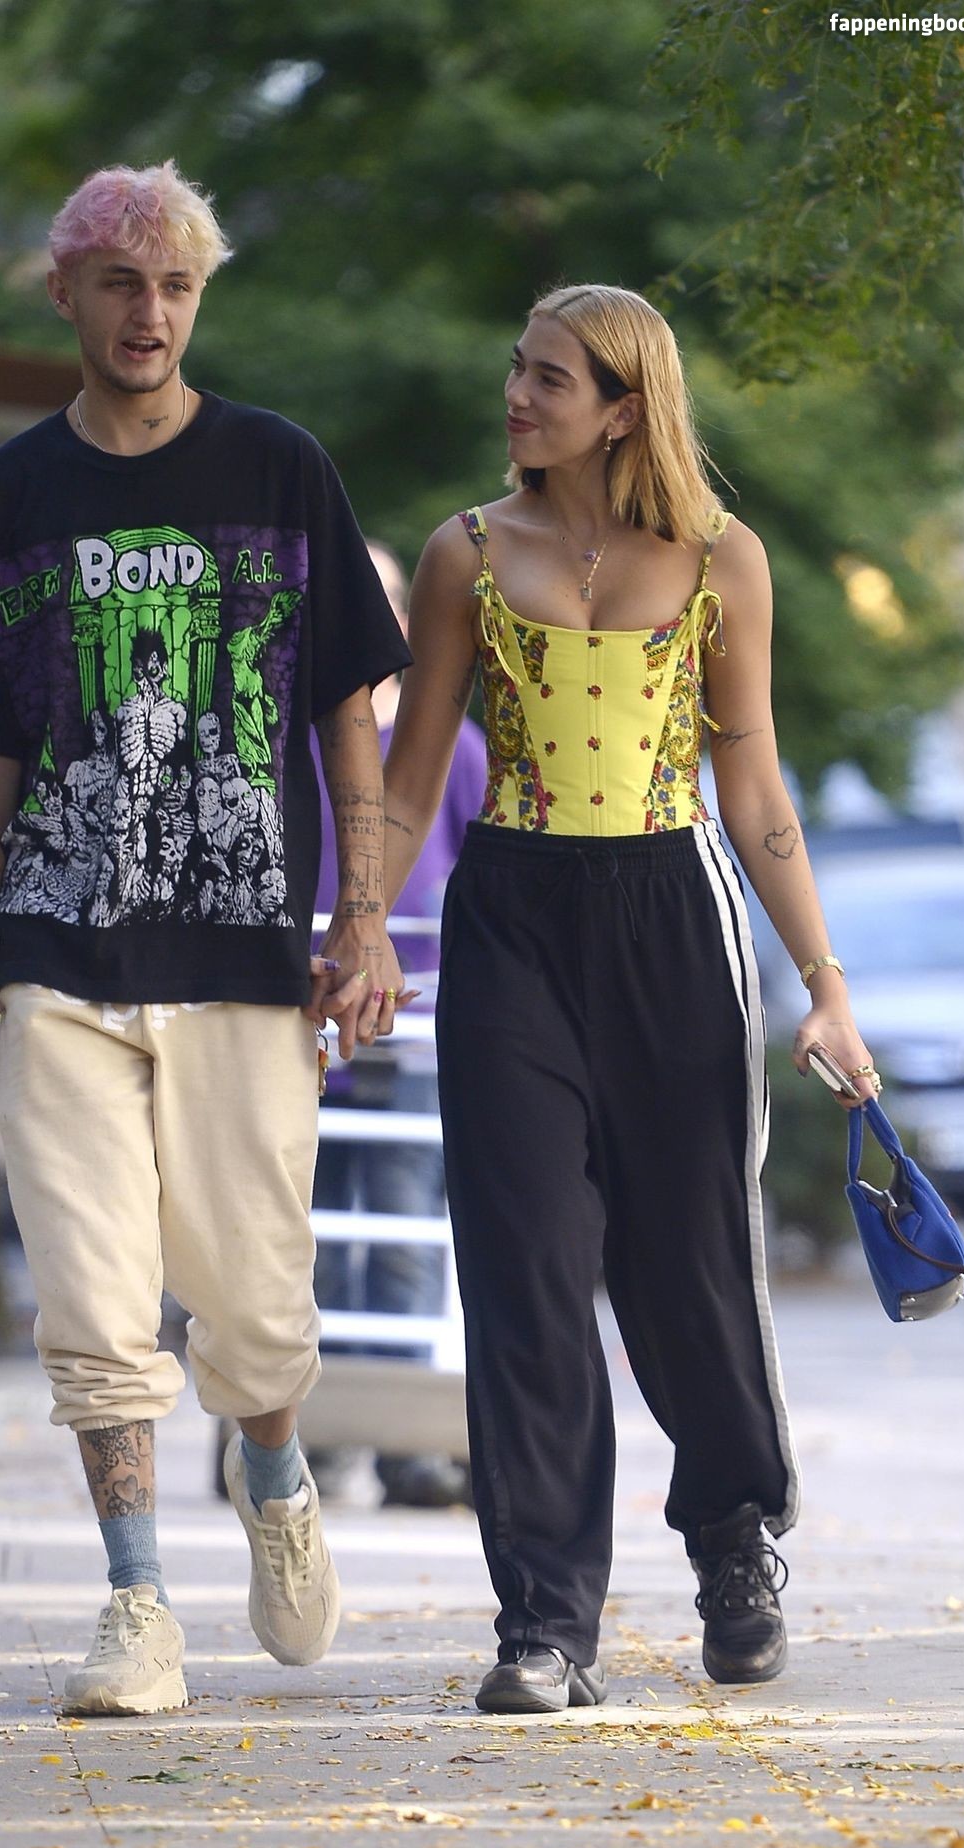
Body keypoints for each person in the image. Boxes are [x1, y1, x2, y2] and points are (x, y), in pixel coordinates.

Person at [0, 161, 411, 1716]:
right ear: (65, 292)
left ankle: (274, 1477)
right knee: (92, 1301)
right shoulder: (5, 498)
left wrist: (364, 919)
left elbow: (349, 715)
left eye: (178, 287)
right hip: (61, 962)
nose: (151, 314)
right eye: (123, 284)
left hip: (246, 961)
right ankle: (137, 1605)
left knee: (253, 1310)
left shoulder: (279, 469)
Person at [382, 284, 880, 1714]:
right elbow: (411, 784)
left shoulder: (723, 558)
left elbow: (755, 785)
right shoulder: (464, 553)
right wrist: (359, 930)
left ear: (621, 407)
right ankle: (543, 1623)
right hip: (511, 918)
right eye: (517, 368)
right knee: (526, 1269)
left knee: (687, 1265)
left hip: (675, 912)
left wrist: (825, 987)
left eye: (548, 378)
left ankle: (731, 1538)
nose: (515, 395)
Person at [309, 542, 485, 1508]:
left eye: (379, 600)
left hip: (412, 1029)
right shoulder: (287, 743)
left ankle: (406, 1442)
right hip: (305, 1028)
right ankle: (321, 1434)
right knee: (308, 1236)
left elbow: (476, 876)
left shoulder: (451, 747)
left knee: (407, 1226)